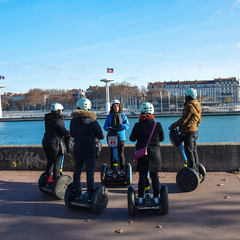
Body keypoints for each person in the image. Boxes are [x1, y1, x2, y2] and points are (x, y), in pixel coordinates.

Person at [129, 102, 165, 204]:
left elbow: (131, 139)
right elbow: (162, 138)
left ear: (141, 112)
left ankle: (140, 198)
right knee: (154, 176)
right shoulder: (157, 125)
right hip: (155, 154)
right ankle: (156, 198)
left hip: (142, 154)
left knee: (142, 176)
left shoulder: (137, 125)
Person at [70, 98, 104, 202]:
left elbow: (72, 135)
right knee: (90, 173)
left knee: (77, 172)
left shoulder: (73, 121)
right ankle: (90, 195)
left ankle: (77, 193)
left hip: (78, 150)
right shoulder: (93, 122)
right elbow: (101, 136)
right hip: (90, 150)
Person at [169, 88, 201, 172]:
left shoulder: (189, 106)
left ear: (189, 96)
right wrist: (194, 126)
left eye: (186, 96)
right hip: (195, 131)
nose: (185, 98)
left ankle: (192, 170)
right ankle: (196, 169)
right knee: (194, 151)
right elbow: (199, 120)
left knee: (189, 152)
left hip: (188, 132)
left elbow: (183, 120)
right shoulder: (197, 104)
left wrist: (172, 126)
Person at [42, 103, 71, 186]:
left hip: (45, 142)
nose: (62, 112)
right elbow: (64, 132)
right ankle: (56, 182)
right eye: (61, 111)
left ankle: (47, 180)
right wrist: (73, 133)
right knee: (57, 162)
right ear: (59, 111)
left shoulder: (47, 119)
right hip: (54, 143)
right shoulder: (59, 120)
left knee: (50, 162)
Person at [103, 99, 129, 174]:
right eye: (114, 106)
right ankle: (112, 169)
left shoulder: (123, 116)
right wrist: (110, 129)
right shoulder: (109, 116)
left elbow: (127, 126)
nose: (116, 108)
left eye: (117, 106)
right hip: (112, 137)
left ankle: (122, 169)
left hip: (121, 137)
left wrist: (121, 126)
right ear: (112, 107)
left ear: (119, 107)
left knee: (121, 153)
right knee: (112, 153)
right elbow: (105, 126)